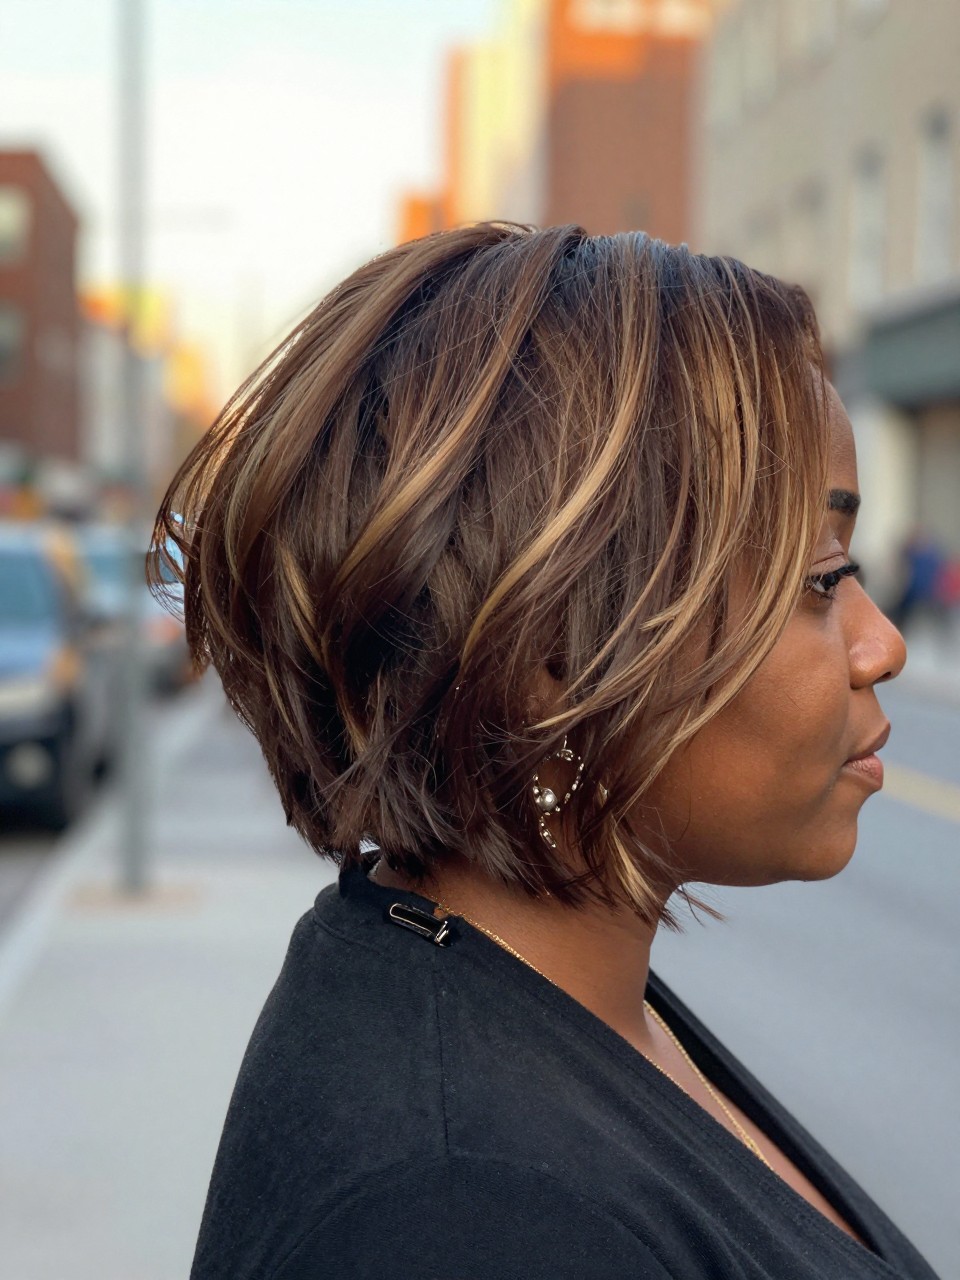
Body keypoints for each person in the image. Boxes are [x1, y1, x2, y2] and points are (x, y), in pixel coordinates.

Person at [151, 224, 936, 1279]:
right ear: (553, 653)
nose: (880, 643)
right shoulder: (464, 1212)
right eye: (823, 576)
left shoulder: (544, 995)